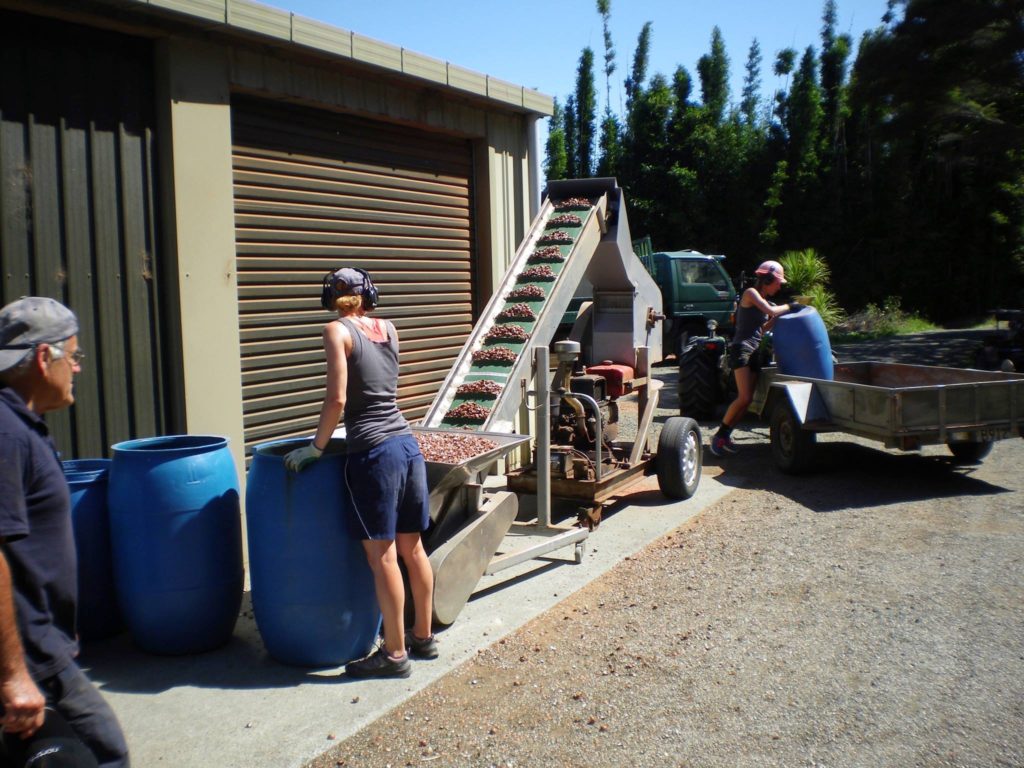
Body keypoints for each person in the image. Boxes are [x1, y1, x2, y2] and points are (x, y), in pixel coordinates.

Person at [284, 268, 436, 679]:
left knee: (382, 555)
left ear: (331, 298)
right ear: (369, 294)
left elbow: (337, 398)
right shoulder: (389, 328)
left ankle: (395, 654)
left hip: (374, 453)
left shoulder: (336, 331)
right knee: (413, 548)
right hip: (407, 445)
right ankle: (423, 636)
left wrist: (315, 448)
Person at [0, 297, 130, 767]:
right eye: (72, 356)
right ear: (42, 357)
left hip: (42, 650)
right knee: (103, 751)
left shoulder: (21, 426)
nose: (76, 369)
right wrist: (13, 674)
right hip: (30, 657)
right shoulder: (8, 435)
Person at [710, 261, 801, 457]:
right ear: (767, 280)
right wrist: (790, 306)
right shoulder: (750, 293)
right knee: (743, 397)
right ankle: (718, 436)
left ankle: (726, 436)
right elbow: (771, 311)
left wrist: (776, 319)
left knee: (748, 400)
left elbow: (761, 330)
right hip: (741, 350)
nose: (779, 286)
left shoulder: (762, 301)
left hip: (753, 350)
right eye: (778, 282)